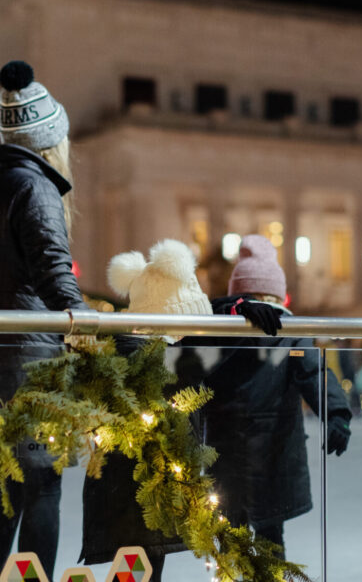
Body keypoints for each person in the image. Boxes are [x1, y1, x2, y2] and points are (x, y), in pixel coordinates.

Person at [0, 61, 87, 582]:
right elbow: (56, 279)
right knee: (43, 487)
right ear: (50, 141)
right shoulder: (37, 190)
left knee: (7, 486)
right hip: (30, 374)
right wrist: (92, 326)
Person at [201, 234, 351, 558]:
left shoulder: (216, 326)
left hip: (232, 452)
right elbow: (314, 371)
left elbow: (312, 370)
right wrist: (336, 412)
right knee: (268, 539)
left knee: (233, 544)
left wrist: (336, 412)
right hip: (272, 455)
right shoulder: (229, 326)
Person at [80, 239, 214, 582]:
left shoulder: (142, 355)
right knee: (140, 569)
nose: (190, 335)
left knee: (141, 569)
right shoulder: (148, 362)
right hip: (140, 499)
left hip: (142, 498)